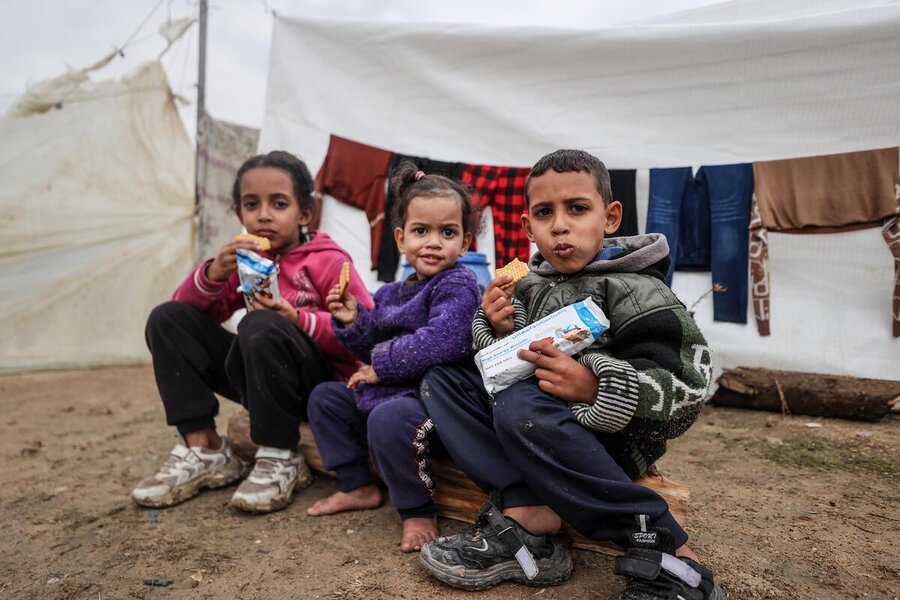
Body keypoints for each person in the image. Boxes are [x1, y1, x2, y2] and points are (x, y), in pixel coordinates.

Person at [418, 149, 723, 599]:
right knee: (443, 380)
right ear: (528, 227)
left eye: (577, 209)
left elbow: (687, 389)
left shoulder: (638, 289)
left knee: (520, 402)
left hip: (603, 441)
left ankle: (665, 545)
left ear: (611, 216)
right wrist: (499, 328)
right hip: (528, 425)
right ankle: (528, 511)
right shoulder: (531, 286)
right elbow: (512, 365)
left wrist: (597, 386)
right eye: (545, 213)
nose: (560, 225)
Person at [132, 150, 373, 514]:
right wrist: (214, 273)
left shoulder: (327, 260)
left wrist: (298, 319)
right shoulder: (246, 263)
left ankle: (280, 454)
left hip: (319, 387)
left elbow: (366, 332)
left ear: (305, 213)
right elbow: (189, 314)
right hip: (263, 381)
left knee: (259, 323)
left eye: (279, 204)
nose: (263, 215)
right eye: (251, 204)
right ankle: (205, 447)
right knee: (167, 318)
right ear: (239, 213)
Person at [306, 162, 482, 553]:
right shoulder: (390, 293)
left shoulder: (458, 285)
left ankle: (417, 510)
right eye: (422, 231)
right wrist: (353, 320)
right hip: (390, 395)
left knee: (388, 420)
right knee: (325, 398)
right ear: (401, 239)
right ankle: (356, 485)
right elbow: (370, 347)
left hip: (433, 404)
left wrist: (380, 367)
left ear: (465, 243)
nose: (433, 242)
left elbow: (445, 340)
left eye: (447, 232)